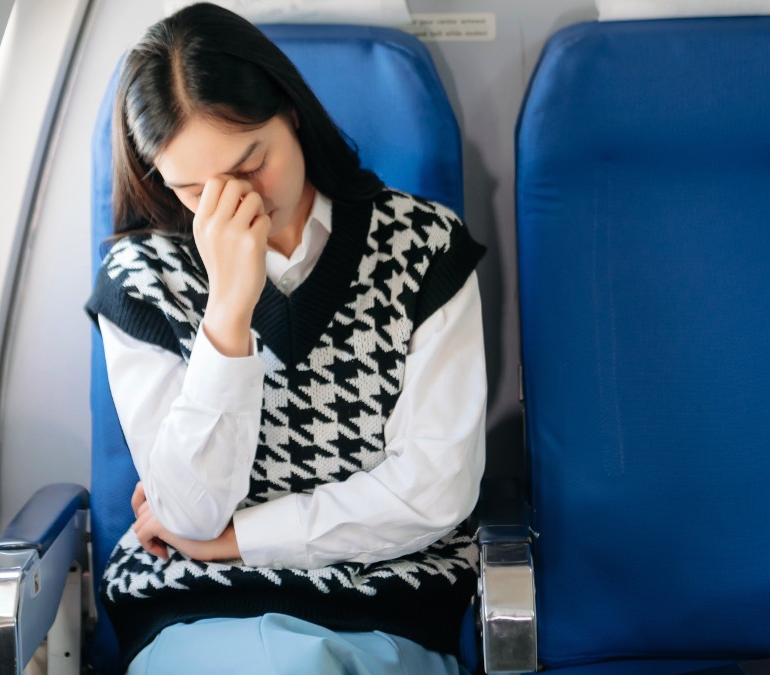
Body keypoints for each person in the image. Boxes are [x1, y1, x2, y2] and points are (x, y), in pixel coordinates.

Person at [85, 4, 488, 673]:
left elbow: (433, 489)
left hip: (382, 605)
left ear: (292, 114)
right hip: (195, 613)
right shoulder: (142, 277)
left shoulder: (423, 247)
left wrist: (239, 539)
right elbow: (189, 512)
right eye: (195, 190)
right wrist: (228, 311)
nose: (233, 206)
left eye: (250, 165)